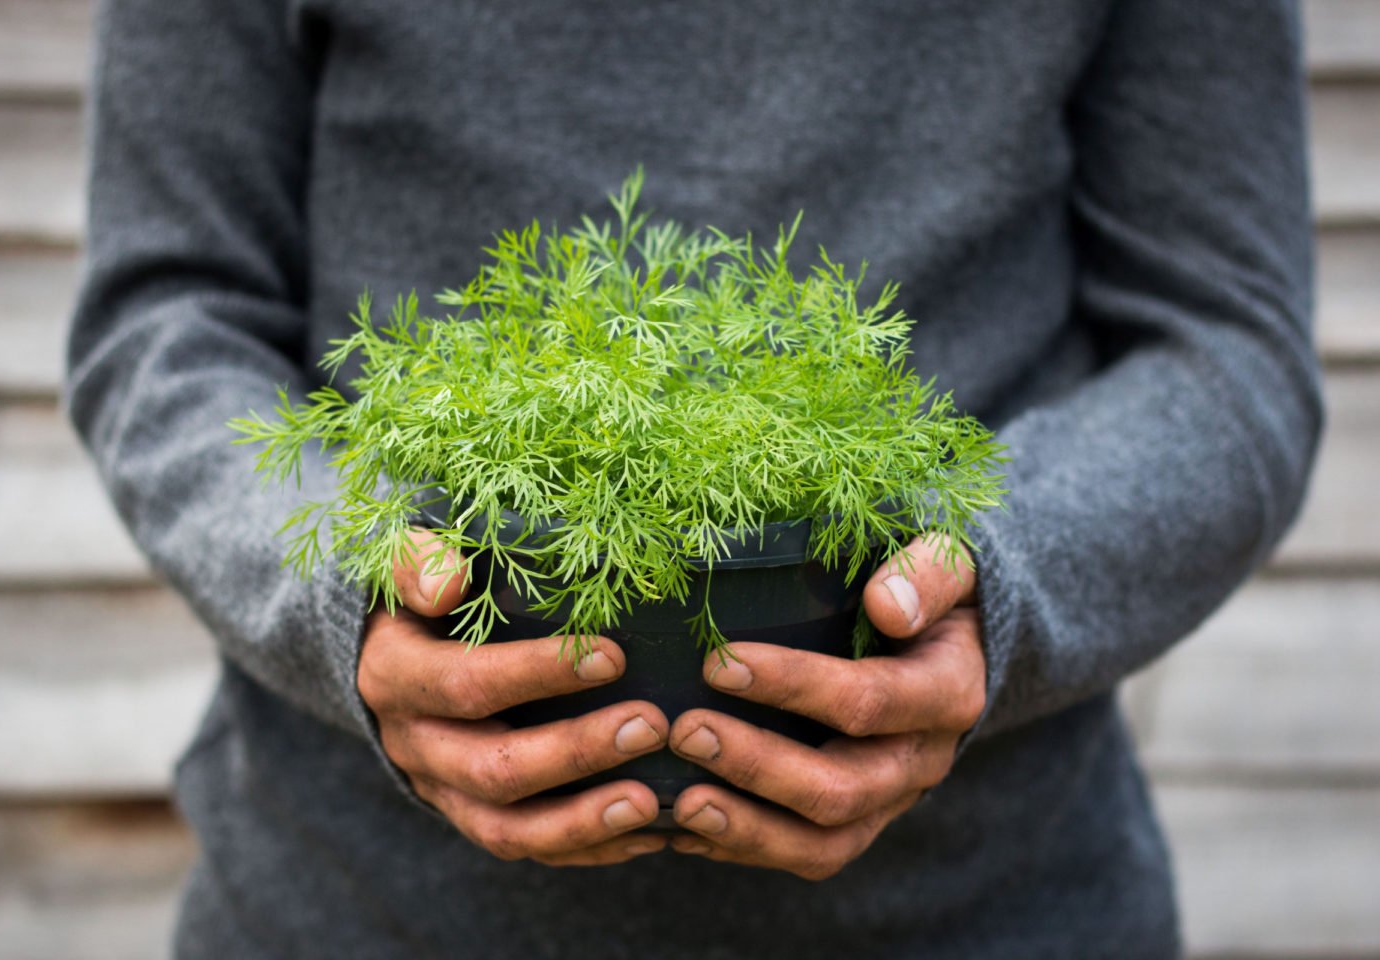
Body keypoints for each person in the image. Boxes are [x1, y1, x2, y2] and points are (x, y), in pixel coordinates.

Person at [66, 1, 1321, 957]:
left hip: (987, 909)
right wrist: (351, 582)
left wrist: (990, 577)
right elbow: (166, 317)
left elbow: (1225, 345)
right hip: (354, 909)